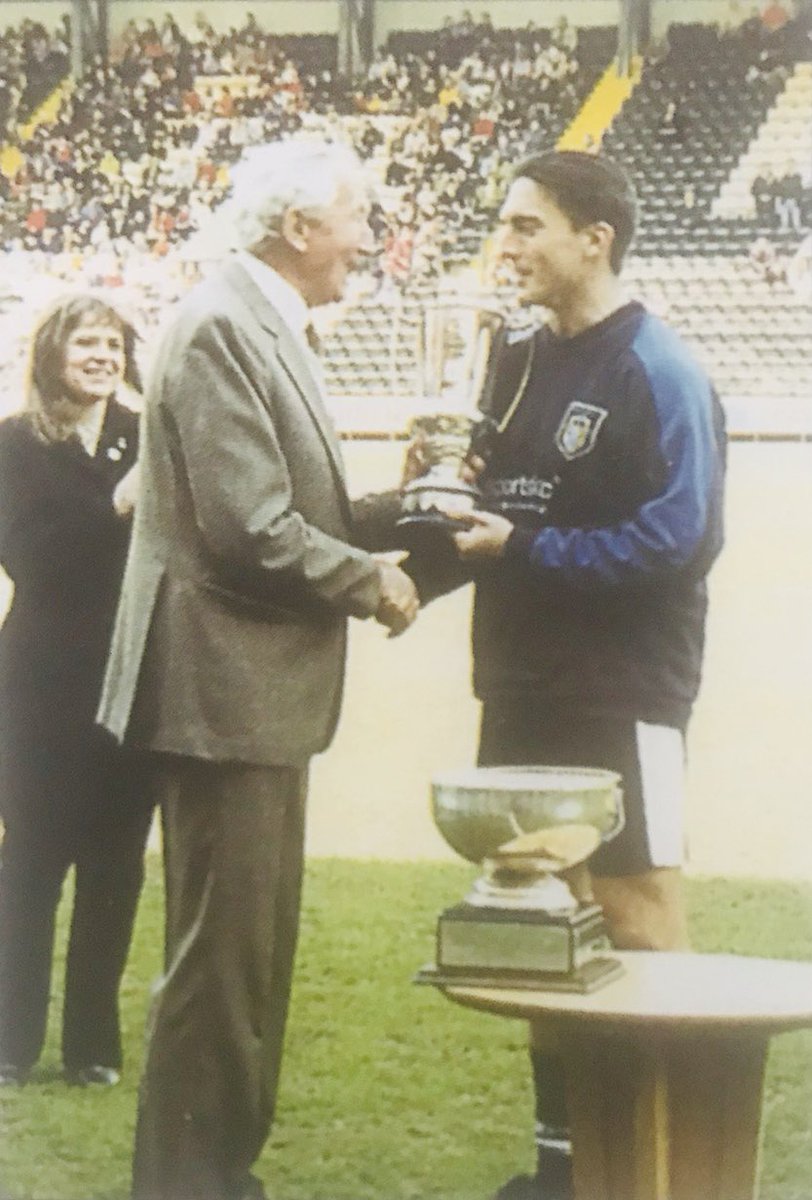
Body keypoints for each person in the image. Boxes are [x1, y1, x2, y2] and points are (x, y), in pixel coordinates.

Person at [96, 138, 419, 1200]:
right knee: (219, 972)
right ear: (297, 229)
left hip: (245, 697)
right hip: (220, 695)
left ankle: (213, 1177)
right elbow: (248, 530)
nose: (367, 241)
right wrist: (370, 580)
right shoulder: (224, 324)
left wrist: (404, 509)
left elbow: (279, 513)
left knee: (244, 965)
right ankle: (191, 1185)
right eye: (356, 219)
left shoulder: (252, 320)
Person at [409, 150, 726, 1200]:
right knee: (537, 921)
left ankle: (662, 1161)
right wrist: (415, 543)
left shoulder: (660, 370)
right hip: (519, 683)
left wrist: (524, 551)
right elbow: (492, 514)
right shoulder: (510, 361)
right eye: (501, 226)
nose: (505, 246)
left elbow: (676, 541)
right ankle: (564, 1166)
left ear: (594, 238)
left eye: (525, 225)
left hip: (624, 694)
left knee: (636, 917)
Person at [0, 294, 152, 1089]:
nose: (103, 355)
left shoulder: (149, 436)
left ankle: (92, 1047)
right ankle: (11, 1043)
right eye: (86, 342)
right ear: (52, 354)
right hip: (41, 682)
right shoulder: (15, 443)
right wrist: (117, 505)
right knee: (29, 861)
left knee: (116, 863)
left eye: (114, 343)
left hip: (133, 675)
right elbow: (30, 558)